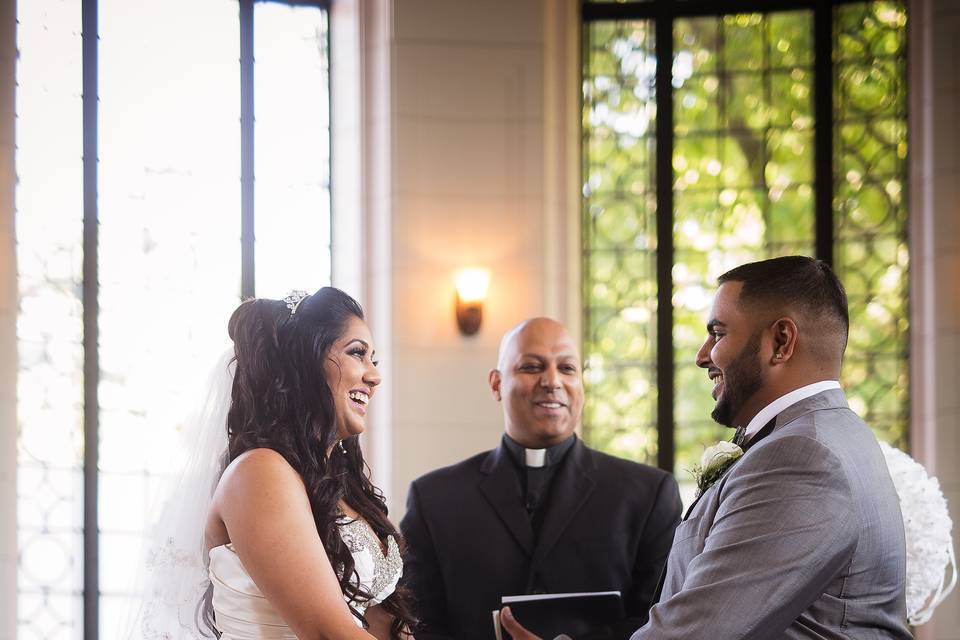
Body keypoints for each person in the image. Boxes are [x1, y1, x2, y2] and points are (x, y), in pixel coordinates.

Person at [501, 256, 912, 640]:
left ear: (781, 341)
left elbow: (697, 630)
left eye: (718, 333)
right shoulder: (824, 435)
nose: (702, 356)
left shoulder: (803, 457)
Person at [141, 288, 414, 639]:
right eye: (357, 353)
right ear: (306, 362)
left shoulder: (341, 487)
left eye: (373, 360)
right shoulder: (258, 473)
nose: (374, 376)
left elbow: (382, 622)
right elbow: (325, 632)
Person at [401, 317, 682, 640]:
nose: (552, 381)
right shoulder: (435, 499)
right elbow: (420, 622)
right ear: (496, 384)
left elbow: (660, 619)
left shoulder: (647, 494)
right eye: (532, 367)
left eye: (567, 368)